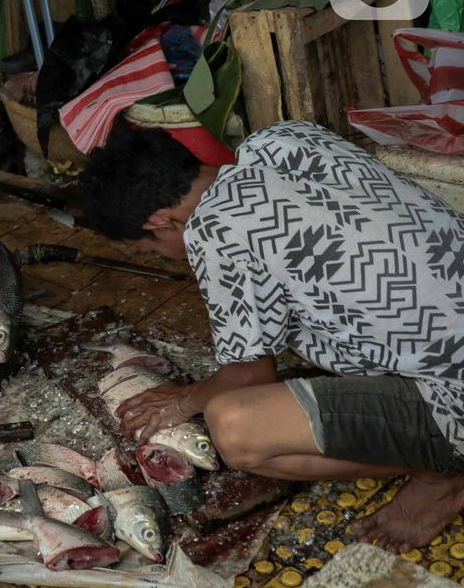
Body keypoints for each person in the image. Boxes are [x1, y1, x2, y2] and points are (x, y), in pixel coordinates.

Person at [79, 120, 464, 554]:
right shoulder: (281, 139)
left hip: (456, 394)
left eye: (146, 248)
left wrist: (184, 400)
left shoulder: (214, 228)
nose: (165, 257)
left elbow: (248, 378)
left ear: (160, 220)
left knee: (235, 428)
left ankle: (444, 474)